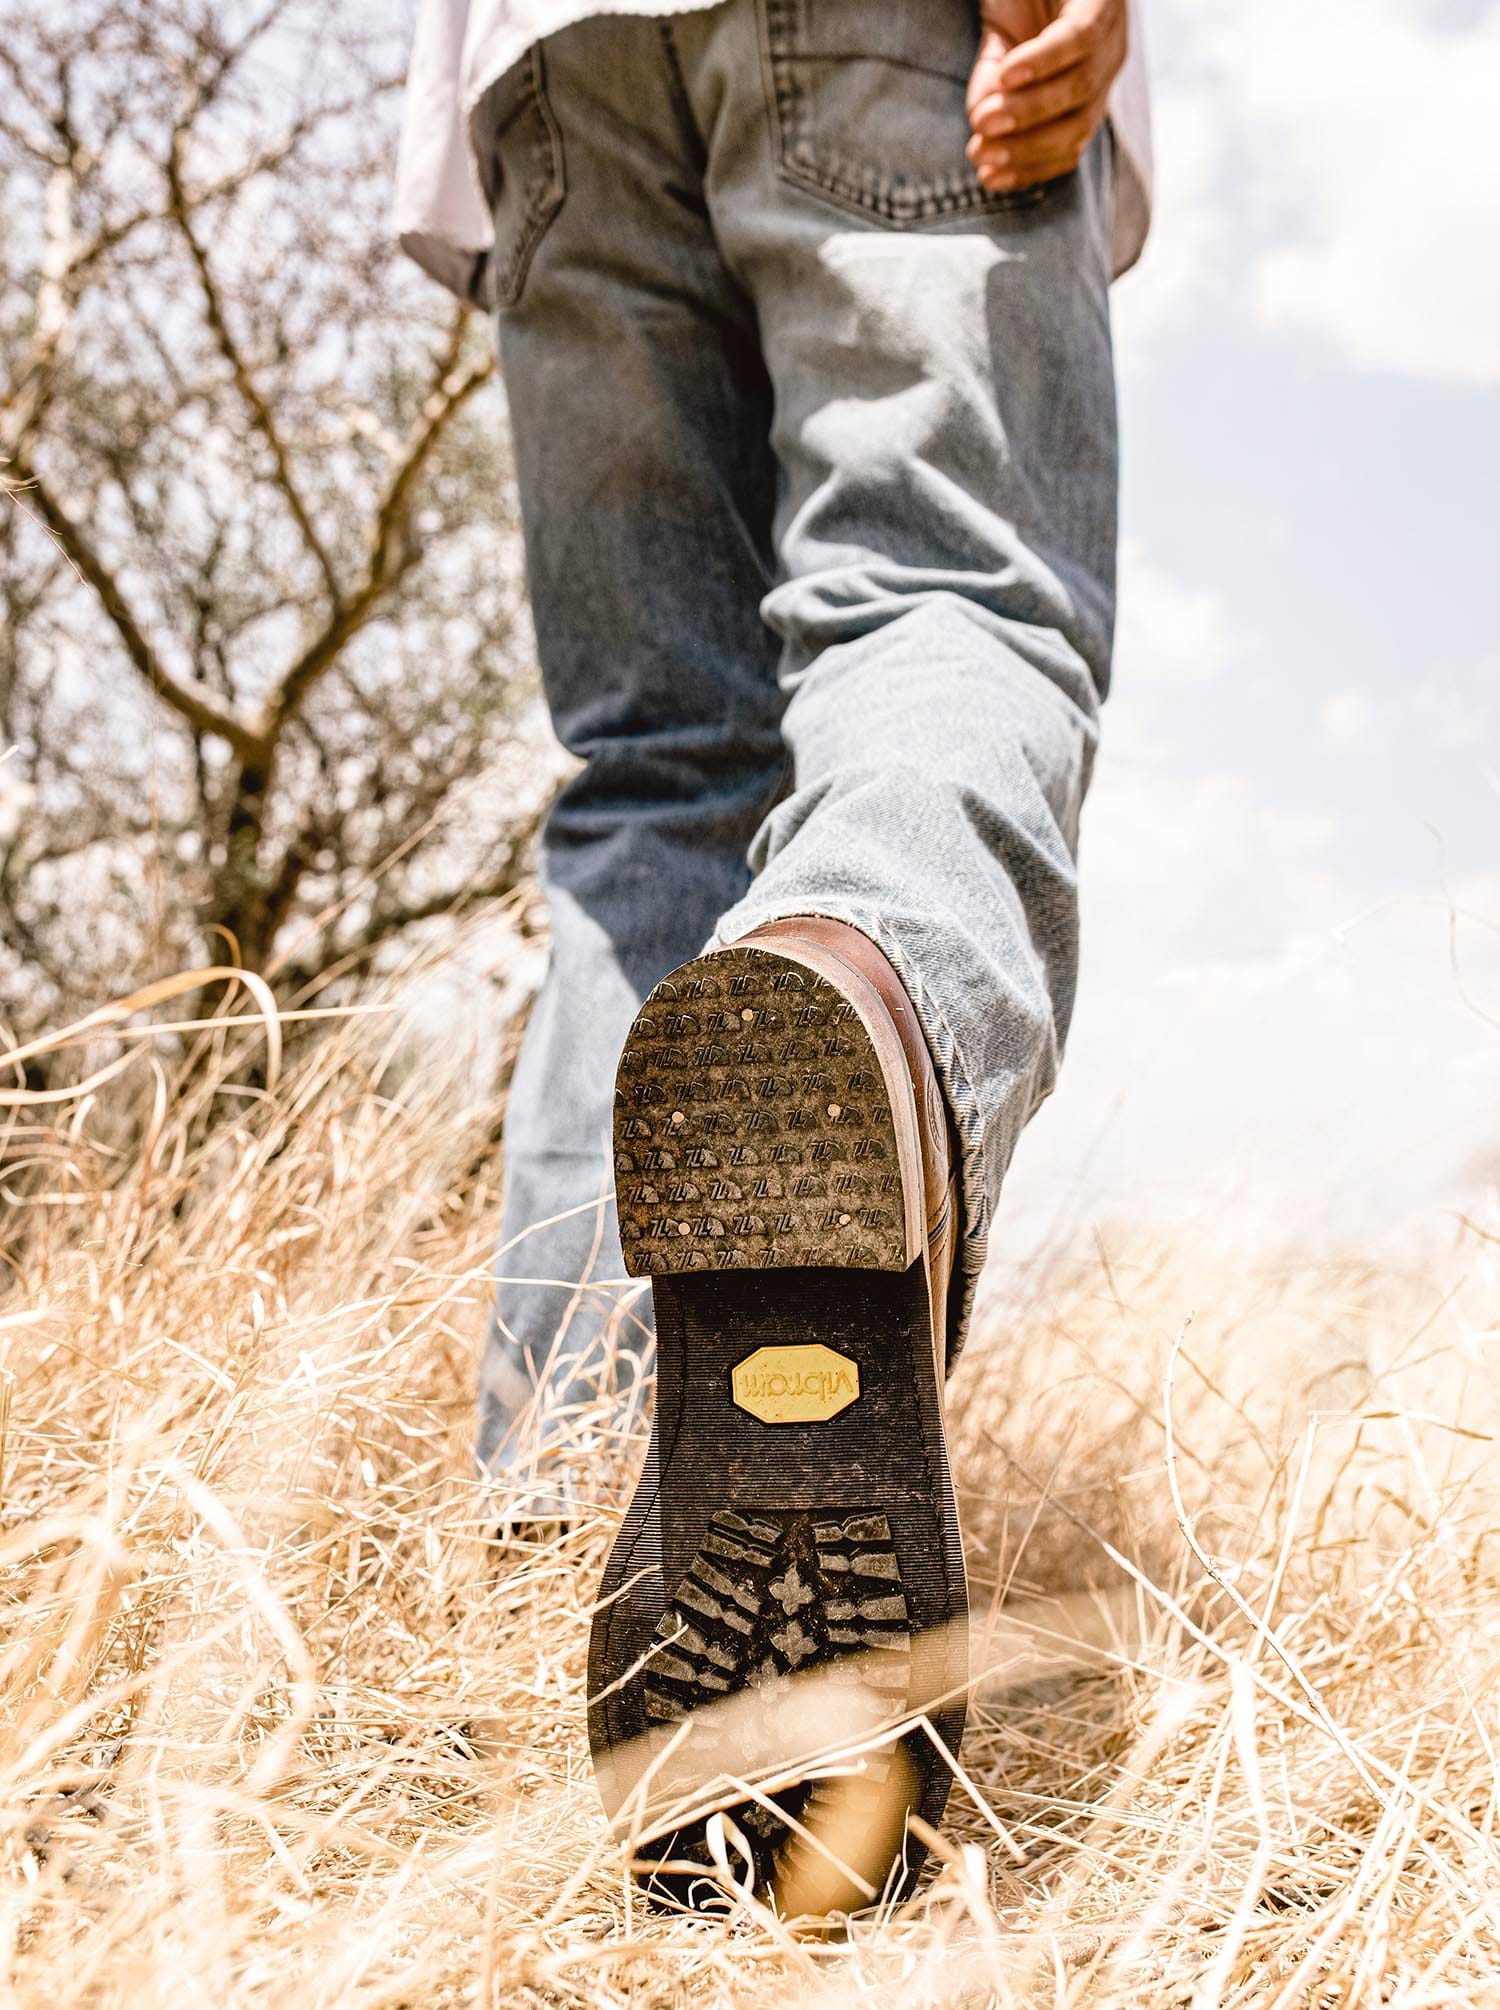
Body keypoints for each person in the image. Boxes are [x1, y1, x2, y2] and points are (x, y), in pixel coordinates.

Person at [397, 0, 1151, 1917]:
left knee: (656, 775)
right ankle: (866, 984)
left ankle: (555, 1538)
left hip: (539, 73)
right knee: (949, 598)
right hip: (900, 42)